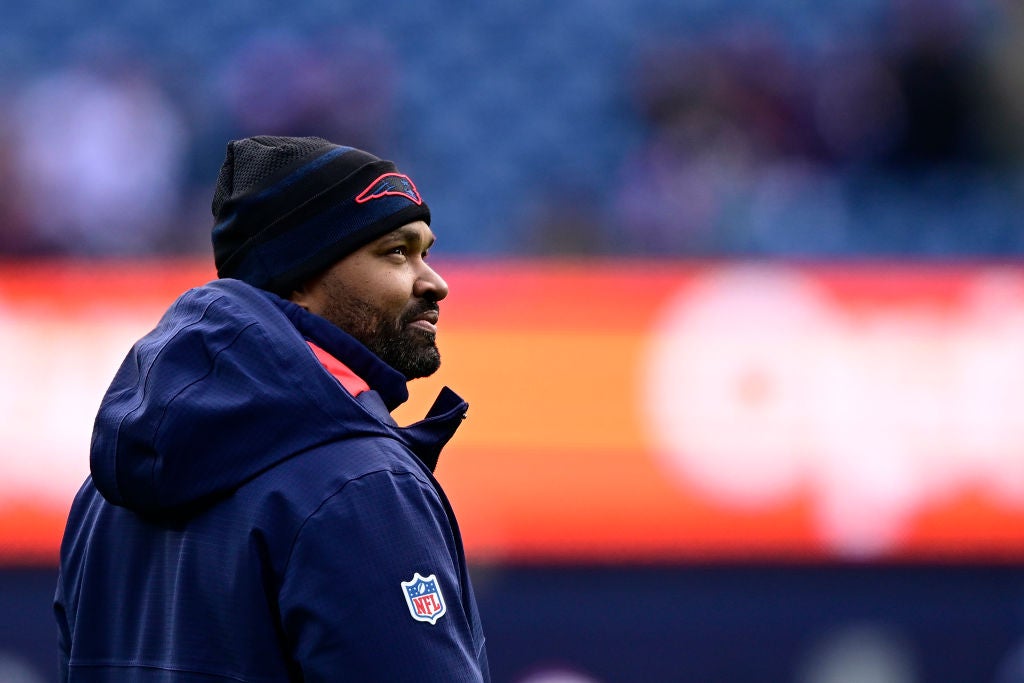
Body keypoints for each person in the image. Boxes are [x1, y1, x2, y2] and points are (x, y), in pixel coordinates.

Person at [53, 136, 490, 681]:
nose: (436, 282)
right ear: (300, 276)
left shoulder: (100, 496)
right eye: (396, 252)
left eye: (427, 252)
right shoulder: (363, 486)